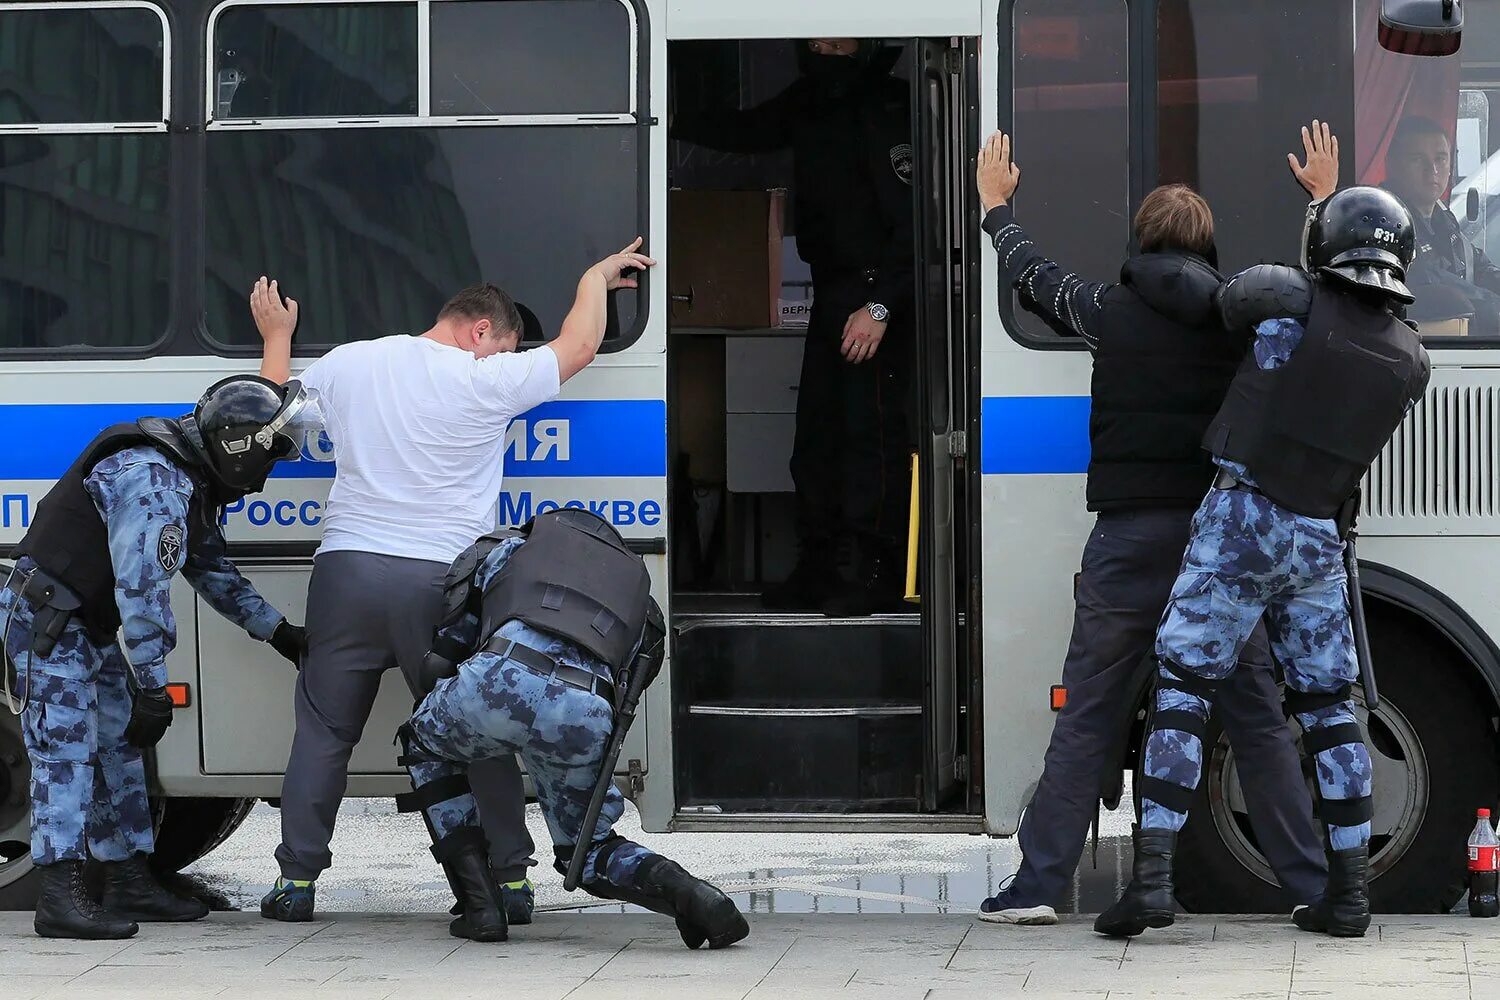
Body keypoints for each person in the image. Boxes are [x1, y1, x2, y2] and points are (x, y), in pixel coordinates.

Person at [970, 126, 1337, 925]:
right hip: (1217, 549)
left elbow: (1035, 281)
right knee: (1254, 715)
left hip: (1128, 542)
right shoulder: (1237, 319)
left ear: (1140, 241)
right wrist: (1322, 204)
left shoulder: (1109, 311)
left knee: (1092, 709)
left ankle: (1036, 888)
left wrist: (998, 210)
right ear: (1208, 247)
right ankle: (1312, 886)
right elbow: (1322, 298)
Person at [253, 239, 655, 923]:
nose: (505, 361)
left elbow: (273, 414)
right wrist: (591, 277)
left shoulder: (352, 361)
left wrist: (277, 336)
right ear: (480, 332)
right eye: (504, 347)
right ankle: (510, 881)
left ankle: (296, 885)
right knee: (476, 728)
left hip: (344, 572)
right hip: (437, 583)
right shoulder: (481, 378)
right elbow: (580, 345)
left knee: (322, 733)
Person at [1096, 185, 1429, 940]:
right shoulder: (1413, 358)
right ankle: (1346, 896)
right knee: (1328, 709)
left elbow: (1227, 302)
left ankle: (1150, 888)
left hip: (1241, 519)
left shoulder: (1289, 297)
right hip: (1317, 537)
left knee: (1182, 690)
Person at [1, 376, 311, 939]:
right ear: (239, 450)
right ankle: (59, 897)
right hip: (49, 625)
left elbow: (212, 572)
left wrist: (281, 634)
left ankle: (127, 879)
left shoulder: (186, 476)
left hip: (82, 625)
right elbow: (142, 593)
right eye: (265, 463)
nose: (264, 483)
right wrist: (151, 684)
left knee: (121, 745)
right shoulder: (154, 480)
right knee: (65, 753)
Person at [396, 507, 750, 948]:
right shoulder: (639, 598)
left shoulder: (507, 550)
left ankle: (480, 905)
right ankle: (695, 896)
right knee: (588, 850)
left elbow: (441, 662)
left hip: (500, 677)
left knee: (424, 745)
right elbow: (629, 696)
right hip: (585, 708)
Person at [673, 38, 915, 615]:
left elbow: (917, 223)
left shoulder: (891, 105)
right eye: (815, 35)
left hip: (876, 294)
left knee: (869, 437)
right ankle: (819, 564)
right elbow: (748, 130)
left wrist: (881, 305)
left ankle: (872, 570)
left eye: (838, 36)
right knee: (815, 439)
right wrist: (666, 116)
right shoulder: (811, 99)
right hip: (834, 291)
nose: (824, 45)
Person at [1381, 115, 1500, 330]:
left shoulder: (1442, 217)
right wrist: (1494, 306)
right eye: (1418, 159)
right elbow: (1431, 282)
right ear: (1392, 165)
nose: (1433, 170)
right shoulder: (1385, 221)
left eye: (1441, 158)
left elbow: (1475, 265)